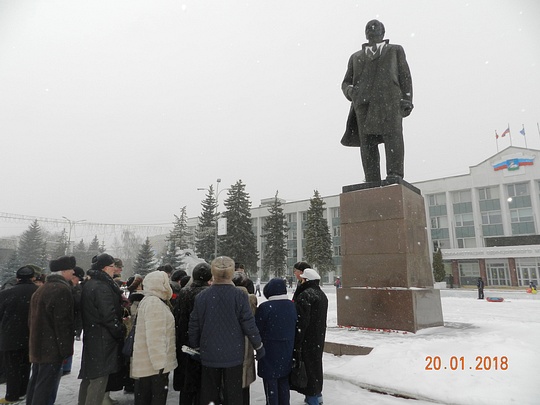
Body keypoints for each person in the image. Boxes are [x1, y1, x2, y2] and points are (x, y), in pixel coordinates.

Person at [341, 19, 413, 182]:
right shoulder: (355, 57)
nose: (371, 30)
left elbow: (405, 75)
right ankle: (371, 178)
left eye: (375, 27)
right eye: (368, 28)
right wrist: (351, 91)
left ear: (383, 32)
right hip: (363, 104)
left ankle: (394, 174)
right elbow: (346, 82)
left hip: (390, 101)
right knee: (367, 143)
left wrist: (407, 99)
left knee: (393, 136)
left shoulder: (395, 50)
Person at [189, 256, 264, 405]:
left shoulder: (202, 297)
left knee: (209, 394)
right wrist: (258, 345)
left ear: (213, 273)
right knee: (233, 394)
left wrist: (195, 346)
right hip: (234, 354)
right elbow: (248, 324)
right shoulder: (240, 296)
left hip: (209, 353)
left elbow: (194, 325)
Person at [26, 256, 77, 405]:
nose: (73, 272)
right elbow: (62, 324)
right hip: (52, 348)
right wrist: (66, 350)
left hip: (38, 346)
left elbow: (31, 320)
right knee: (46, 389)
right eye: (71, 269)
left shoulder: (42, 289)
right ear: (64, 270)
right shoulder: (61, 290)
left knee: (36, 383)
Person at [78, 253, 126, 405]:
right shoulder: (102, 287)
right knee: (99, 380)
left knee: (89, 377)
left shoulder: (91, 284)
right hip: (102, 340)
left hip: (93, 336)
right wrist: (120, 330)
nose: (115, 269)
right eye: (113, 267)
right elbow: (108, 316)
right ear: (106, 268)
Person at [131, 271, 177, 405]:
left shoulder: (151, 301)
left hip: (148, 366)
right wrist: (160, 364)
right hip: (154, 368)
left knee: (144, 398)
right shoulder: (154, 303)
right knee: (155, 399)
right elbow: (155, 337)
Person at [173, 263, 212, 405]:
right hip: (203, 344)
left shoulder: (184, 292)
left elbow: (177, 316)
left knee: (186, 382)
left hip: (184, 342)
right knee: (202, 382)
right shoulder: (209, 293)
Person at [0, 266, 39, 404]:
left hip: (10, 337)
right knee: (26, 365)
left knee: (12, 367)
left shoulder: (6, 294)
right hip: (32, 336)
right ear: (33, 278)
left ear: (17, 278)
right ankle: (23, 391)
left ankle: (12, 395)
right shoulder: (38, 292)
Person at [255, 278, 297, 405]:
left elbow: (257, 328)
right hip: (287, 348)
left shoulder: (265, 307)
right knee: (283, 380)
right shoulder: (291, 305)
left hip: (269, 349)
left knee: (270, 382)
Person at [292, 268, 328, 405]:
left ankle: (312, 398)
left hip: (307, 339)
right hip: (318, 337)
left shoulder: (305, 295)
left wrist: (297, 340)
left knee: (307, 370)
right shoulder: (321, 294)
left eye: (302, 279)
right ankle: (317, 396)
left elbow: (301, 321)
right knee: (316, 366)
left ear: (306, 280)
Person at [232, 271, 258, 405]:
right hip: (246, 344)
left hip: (228, 346)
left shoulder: (226, 296)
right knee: (244, 384)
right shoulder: (250, 299)